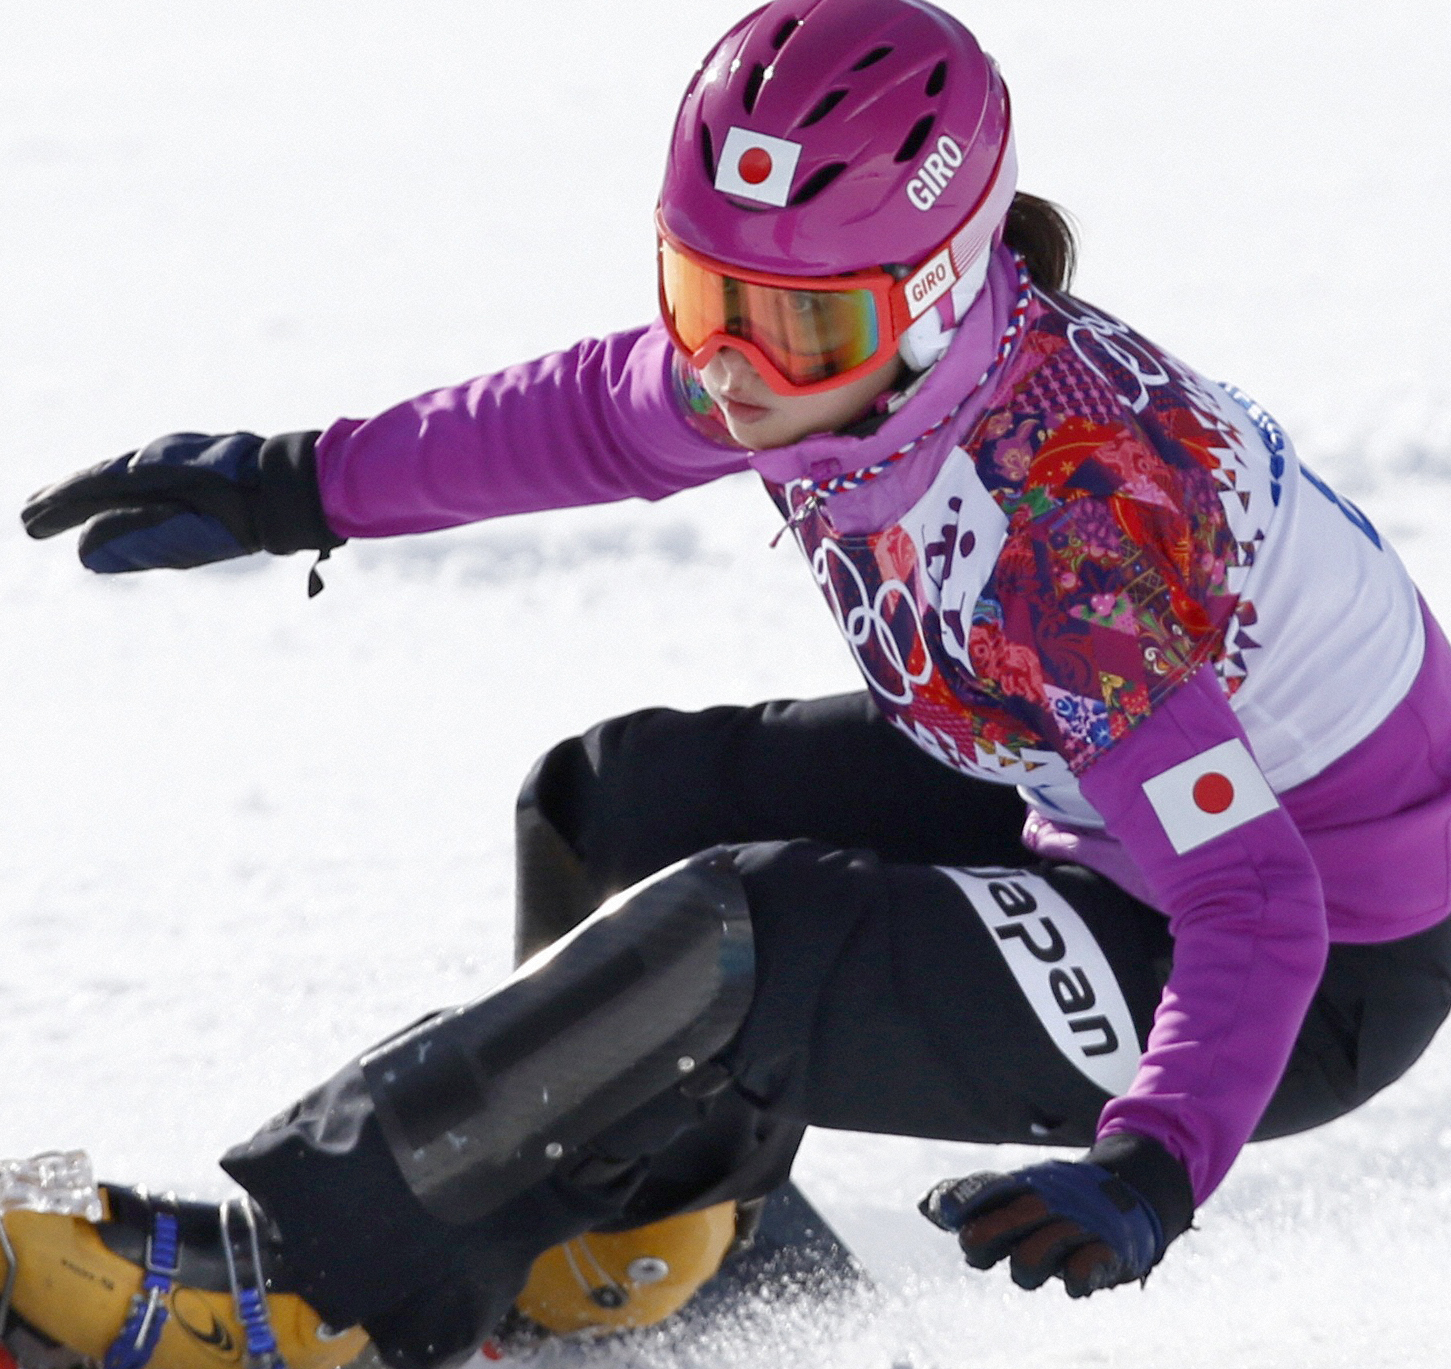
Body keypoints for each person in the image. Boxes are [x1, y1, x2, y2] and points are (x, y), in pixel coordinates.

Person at [9, 0, 1451, 1365]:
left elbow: (1255, 896)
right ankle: (642, 1257)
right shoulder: (848, 364)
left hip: (1310, 959)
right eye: (703, 294)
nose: (736, 373)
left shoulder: (1066, 535)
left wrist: (1156, 1157)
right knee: (616, 804)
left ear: (939, 299)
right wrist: (293, 484)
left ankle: (311, 1286)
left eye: (802, 327)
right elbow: (593, 415)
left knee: (745, 939)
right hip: (1085, 790)